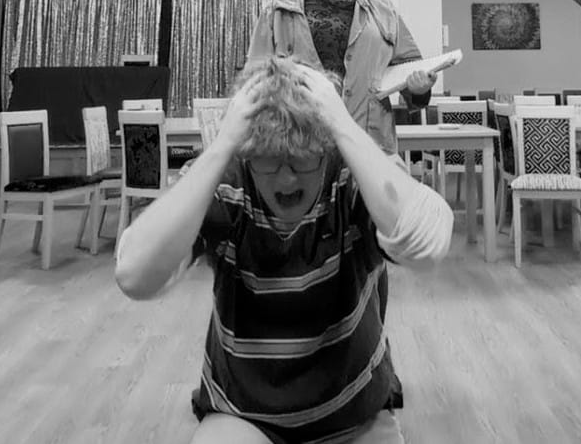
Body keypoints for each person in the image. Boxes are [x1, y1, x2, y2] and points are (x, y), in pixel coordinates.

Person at [115, 57, 453, 443]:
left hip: (353, 412)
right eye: (269, 160)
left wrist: (341, 122)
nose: (287, 178)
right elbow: (134, 275)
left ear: (325, 148)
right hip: (245, 414)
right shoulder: (229, 182)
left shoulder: (350, 175)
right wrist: (221, 145)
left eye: (302, 160)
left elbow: (428, 246)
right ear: (247, 154)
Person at [247, 0, 435, 157]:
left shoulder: (384, 10)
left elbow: (408, 69)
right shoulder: (279, 8)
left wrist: (419, 89)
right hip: (300, 143)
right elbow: (255, 79)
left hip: (368, 143)